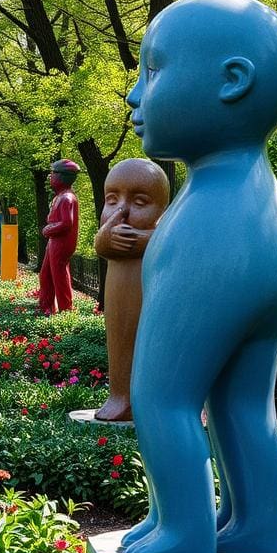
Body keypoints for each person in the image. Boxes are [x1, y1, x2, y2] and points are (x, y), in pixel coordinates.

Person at [121, 0, 277, 553]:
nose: (136, 94)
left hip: (215, 255)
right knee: (244, 401)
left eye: (152, 70)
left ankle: (184, 531)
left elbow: (161, 397)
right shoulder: (254, 190)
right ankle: (256, 525)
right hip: (264, 251)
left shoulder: (209, 207)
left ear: (232, 81)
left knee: (162, 396)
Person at [93, 158, 170, 422]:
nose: (122, 211)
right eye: (112, 200)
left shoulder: (164, 233)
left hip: (152, 298)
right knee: (120, 344)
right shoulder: (112, 231)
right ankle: (120, 396)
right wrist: (105, 238)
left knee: (154, 346)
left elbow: (169, 244)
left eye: (139, 203)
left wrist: (143, 240)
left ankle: (155, 400)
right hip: (118, 300)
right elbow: (101, 246)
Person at [38, 159, 81, 314]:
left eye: (53, 173)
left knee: (59, 276)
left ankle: (65, 310)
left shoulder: (67, 198)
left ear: (62, 176)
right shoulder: (59, 197)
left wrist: (48, 229)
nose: (50, 177)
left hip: (61, 243)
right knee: (46, 274)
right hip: (54, 241)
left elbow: (66, 223)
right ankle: (47, 307)